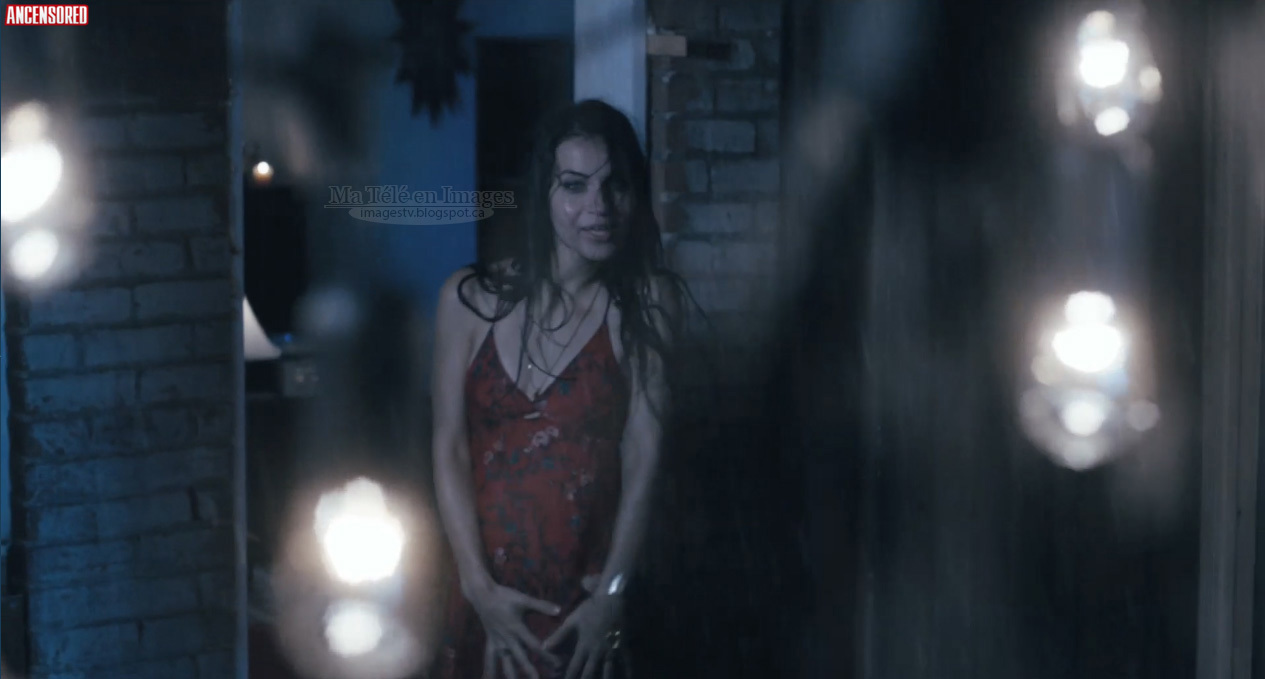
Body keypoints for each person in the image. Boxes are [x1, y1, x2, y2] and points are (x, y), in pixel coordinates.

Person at [430, 99, 689, 679]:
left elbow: (645, 452)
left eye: (615, 185)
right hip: (485, 593)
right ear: (542, 195)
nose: (599, 206)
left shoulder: (645, 302)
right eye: (574, 185)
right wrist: (477, 588)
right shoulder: (467, 300)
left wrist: (613, 595)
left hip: (588, 602)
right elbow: (449, 447)